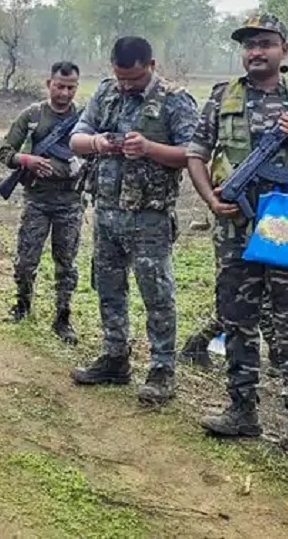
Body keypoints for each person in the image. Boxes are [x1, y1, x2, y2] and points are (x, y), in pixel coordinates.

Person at [187, 13, 288, 470]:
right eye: (248, 45)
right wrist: (210, 197)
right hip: (236, 226)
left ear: (282, 46)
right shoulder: (224, 96)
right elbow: (196, 154)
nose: (255, 52)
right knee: (237, 321)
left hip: (286, 225)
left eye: (263, 43)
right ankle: (242, 411)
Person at [69, 36, 199, 406]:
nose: (127, 85)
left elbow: (194, 153)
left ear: (151, 66)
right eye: (121, 77)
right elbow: (76, 137)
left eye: (135, 78)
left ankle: (162, 370)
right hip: (107, 210)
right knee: (109, 287)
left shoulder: (175, 99)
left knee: (157, 293)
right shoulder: (106, 92)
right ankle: (114, 355)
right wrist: (99, 144)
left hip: (149, 214)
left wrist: (150, 149)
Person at [0, 61, 86, 344]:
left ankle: (63, 317)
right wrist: (27, 160)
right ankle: (22, 306)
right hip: (37, 201)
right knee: (26, 261)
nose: (65, 93)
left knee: (66, 264)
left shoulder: (84, 119)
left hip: (70, 203)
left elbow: (93, 153)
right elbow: (4, 151)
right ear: (49, 84)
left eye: (71, 87)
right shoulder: (33, 115)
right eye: (60, 86)